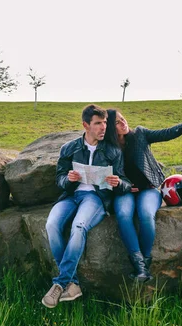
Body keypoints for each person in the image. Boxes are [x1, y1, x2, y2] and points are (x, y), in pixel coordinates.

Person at [104, 109, 182, 281]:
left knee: (146, 215)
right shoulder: (107, 148)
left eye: (123, 119)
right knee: (124, 215)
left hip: (147, 190)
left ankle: (144, 263)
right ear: (110, 129)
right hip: (123, 191)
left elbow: (167, 133)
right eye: (117, 122)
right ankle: (140, 267)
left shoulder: (140, 134)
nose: (123, 123)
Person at [42, 105, 131, 308]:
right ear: (86, 125)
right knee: (52, 225)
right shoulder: (69, 148)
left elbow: (125, 183)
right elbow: (60, 179)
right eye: (98, 123)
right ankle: (73, 284)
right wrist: (69, 179)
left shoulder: (112, 150)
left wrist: (118, 183)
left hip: (95, 198)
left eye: (105, 123)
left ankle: (60, 284)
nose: (103, 127)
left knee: (79, 226)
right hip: (71, 196)